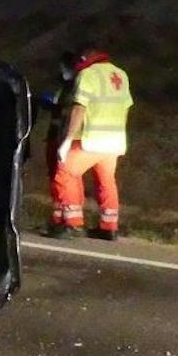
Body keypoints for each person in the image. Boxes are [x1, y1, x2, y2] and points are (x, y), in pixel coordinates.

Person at [49, 49, 133, 239]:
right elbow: (126, 107)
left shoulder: (88, 75)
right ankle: (109, 227)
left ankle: (73, 224)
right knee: (106, 181)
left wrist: (68, 140)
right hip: (114, 141)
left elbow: (79, 108)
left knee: (65, 173)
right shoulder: (121, 75)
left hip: (91, 140)